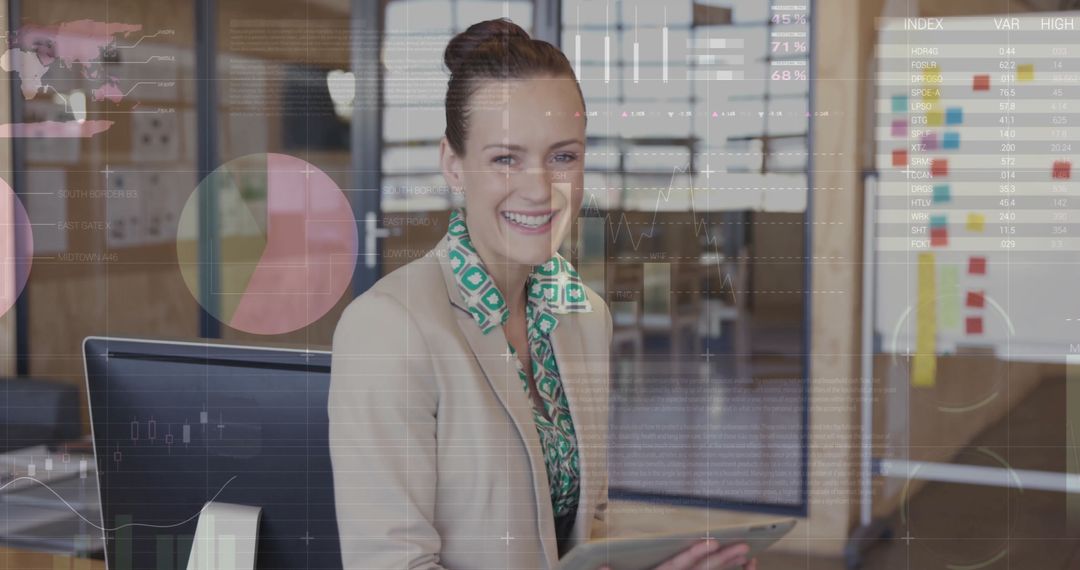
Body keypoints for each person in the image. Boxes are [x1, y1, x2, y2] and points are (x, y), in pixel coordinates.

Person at [329, 18, 757, 570]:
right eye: (506, 158)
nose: (539, 189)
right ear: (453, 166)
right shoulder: (389, 329)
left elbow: (587, 528)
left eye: (563, 157)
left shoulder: (582, 315)